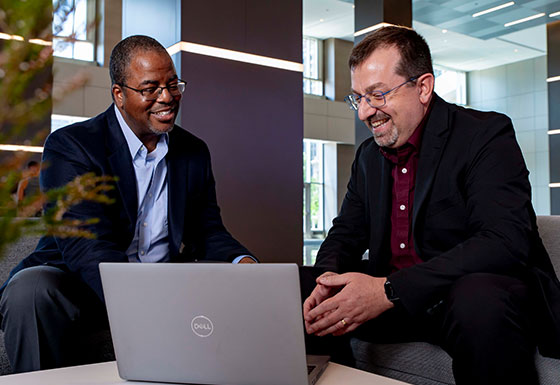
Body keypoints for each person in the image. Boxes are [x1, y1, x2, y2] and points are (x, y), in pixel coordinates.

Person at [301, 25, 560, 385]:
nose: (363, 113)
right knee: (297, 288)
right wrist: (325, 279)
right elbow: (346, 232)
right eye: (358, 98)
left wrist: (389, 289)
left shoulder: (484, 135)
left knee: (478, 299)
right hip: (400, 304)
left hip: (459, 297)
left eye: (377, 96)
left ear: (422, 87)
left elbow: (504, 241)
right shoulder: (367, 158)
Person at [0, 35, 255, 373]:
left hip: (168, 285)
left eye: (173, 84)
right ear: (119, 94)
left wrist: (244, 262)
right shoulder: (72, 146)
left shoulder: (194, 151)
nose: (167, 98)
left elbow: (207, 229)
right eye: (150, 88)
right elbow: (85, 248)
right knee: (29, 290)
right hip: (83, 284)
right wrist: (143, 304)